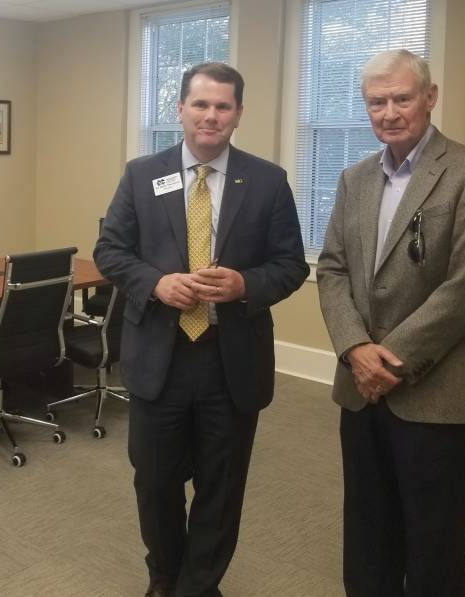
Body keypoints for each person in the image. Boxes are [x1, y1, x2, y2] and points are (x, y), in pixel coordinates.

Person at [94, 62, 309, 597]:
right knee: (156, 482)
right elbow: (109, 250)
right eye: (201, 104)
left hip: (229, 357)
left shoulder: (267, 181)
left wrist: (244, 284)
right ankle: (164, 576)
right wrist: (155, 283)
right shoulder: (142, 174)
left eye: (223, 106)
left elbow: (291, 265)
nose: (211, 116)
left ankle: (199, 585)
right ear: (180, 110)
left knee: (221, 484)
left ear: (238, 113)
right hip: (158, 358)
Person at [316, 49, 465, 597]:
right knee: (369, 530)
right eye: (376, 101)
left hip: (438, 389)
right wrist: (356, 348)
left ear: (430, 97)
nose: (389, 112)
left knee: (434, 541)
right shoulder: (355, 179)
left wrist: (391, 359)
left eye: (402, 98)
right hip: (360, 387)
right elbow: (332, 269)